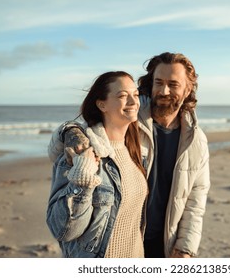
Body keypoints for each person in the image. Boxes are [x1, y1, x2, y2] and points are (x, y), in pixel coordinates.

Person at [48, 52, 211, 258]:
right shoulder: (133, 119)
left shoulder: (196, 141)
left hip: (164, 245)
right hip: (119, 240)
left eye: (173, 84)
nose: (164, 90)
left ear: (188, 89)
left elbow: (196, 199)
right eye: (158, 82)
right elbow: (88, 128)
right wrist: (71, 132)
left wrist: (186, 247)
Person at [46, 71, 148, 258]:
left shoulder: (138, 154)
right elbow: (63, 230)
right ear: (102, 104)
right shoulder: (80, 153)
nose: (133, 102)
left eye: (135, 95)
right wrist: (82, 181)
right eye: (123, 96)